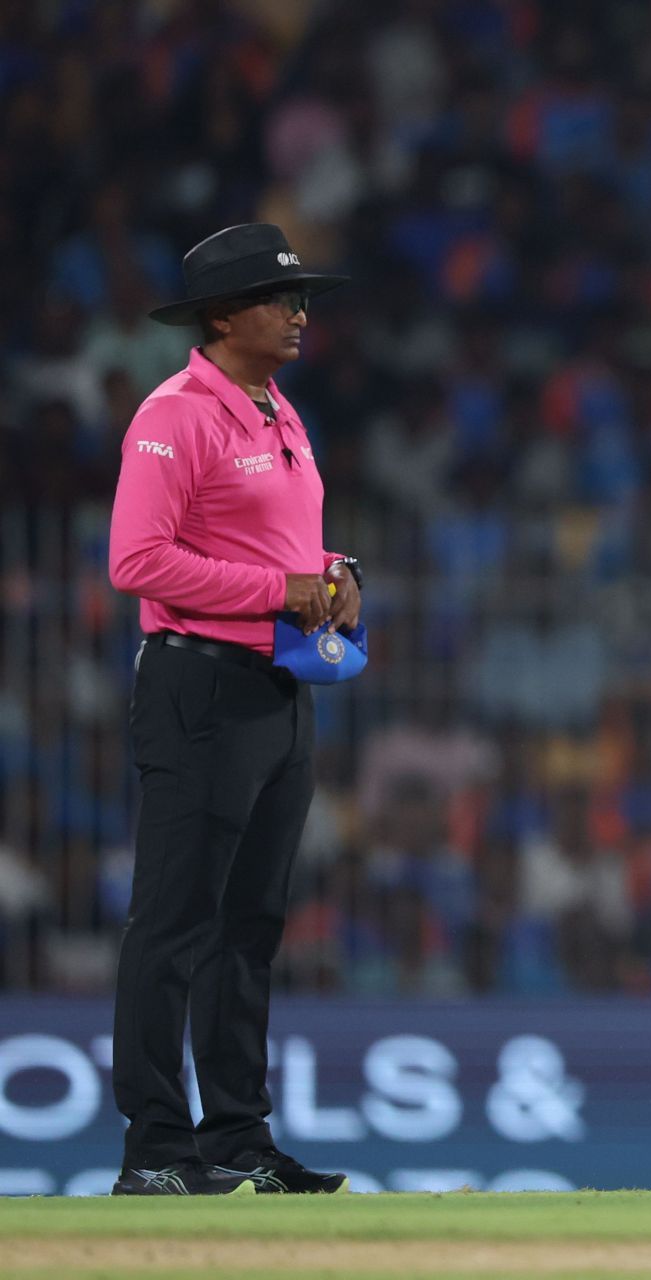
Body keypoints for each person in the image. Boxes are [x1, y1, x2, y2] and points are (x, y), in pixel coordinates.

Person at [105, 223, 361, 1194]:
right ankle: (156, 1146)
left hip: (277, 685)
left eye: (300, 298)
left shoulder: (274, 409)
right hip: (199, 684)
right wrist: (281, 590)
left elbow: (282, 549)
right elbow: (136, 559)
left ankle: (236, 1137)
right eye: (277, 297)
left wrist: (333, 577)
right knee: (174, 919)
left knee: (248, 923)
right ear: (222, 315)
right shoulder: (175, 412)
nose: (298, 313)